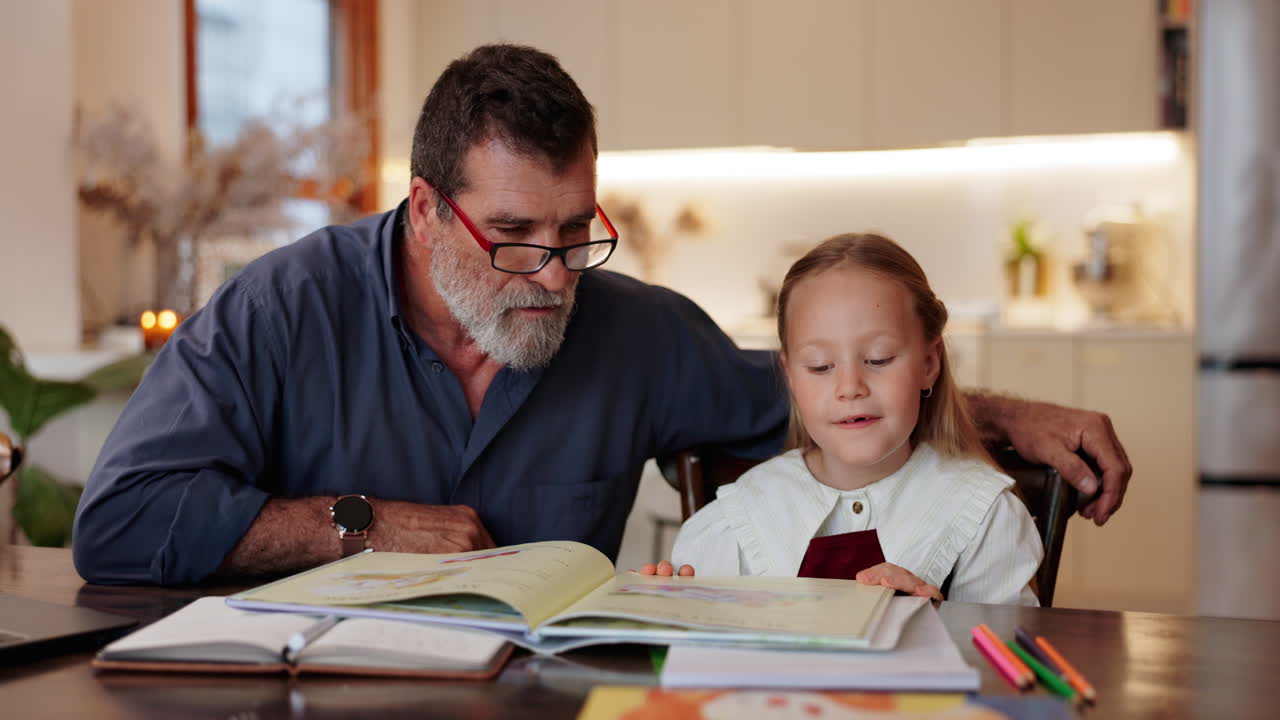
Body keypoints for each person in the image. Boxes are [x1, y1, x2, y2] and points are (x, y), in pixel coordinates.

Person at [72, 44, 1130, 586]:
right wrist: (360, 526)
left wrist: (1005, 414)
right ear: (426, 211)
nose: (553, 274)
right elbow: (118, 521)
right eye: (515, 235)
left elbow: (825, 391)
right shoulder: (280, 309)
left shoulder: (636, 333)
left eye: (576, 230)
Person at [647, 233, 1043, 605]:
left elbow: (1001, 651)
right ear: (791, 376)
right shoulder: (734, 520)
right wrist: (660, 615)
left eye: (878, 359)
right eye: (820, 366)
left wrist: (935, 624)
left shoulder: (987, 518)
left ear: (928, 363)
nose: (850, 387)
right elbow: (696, 648)